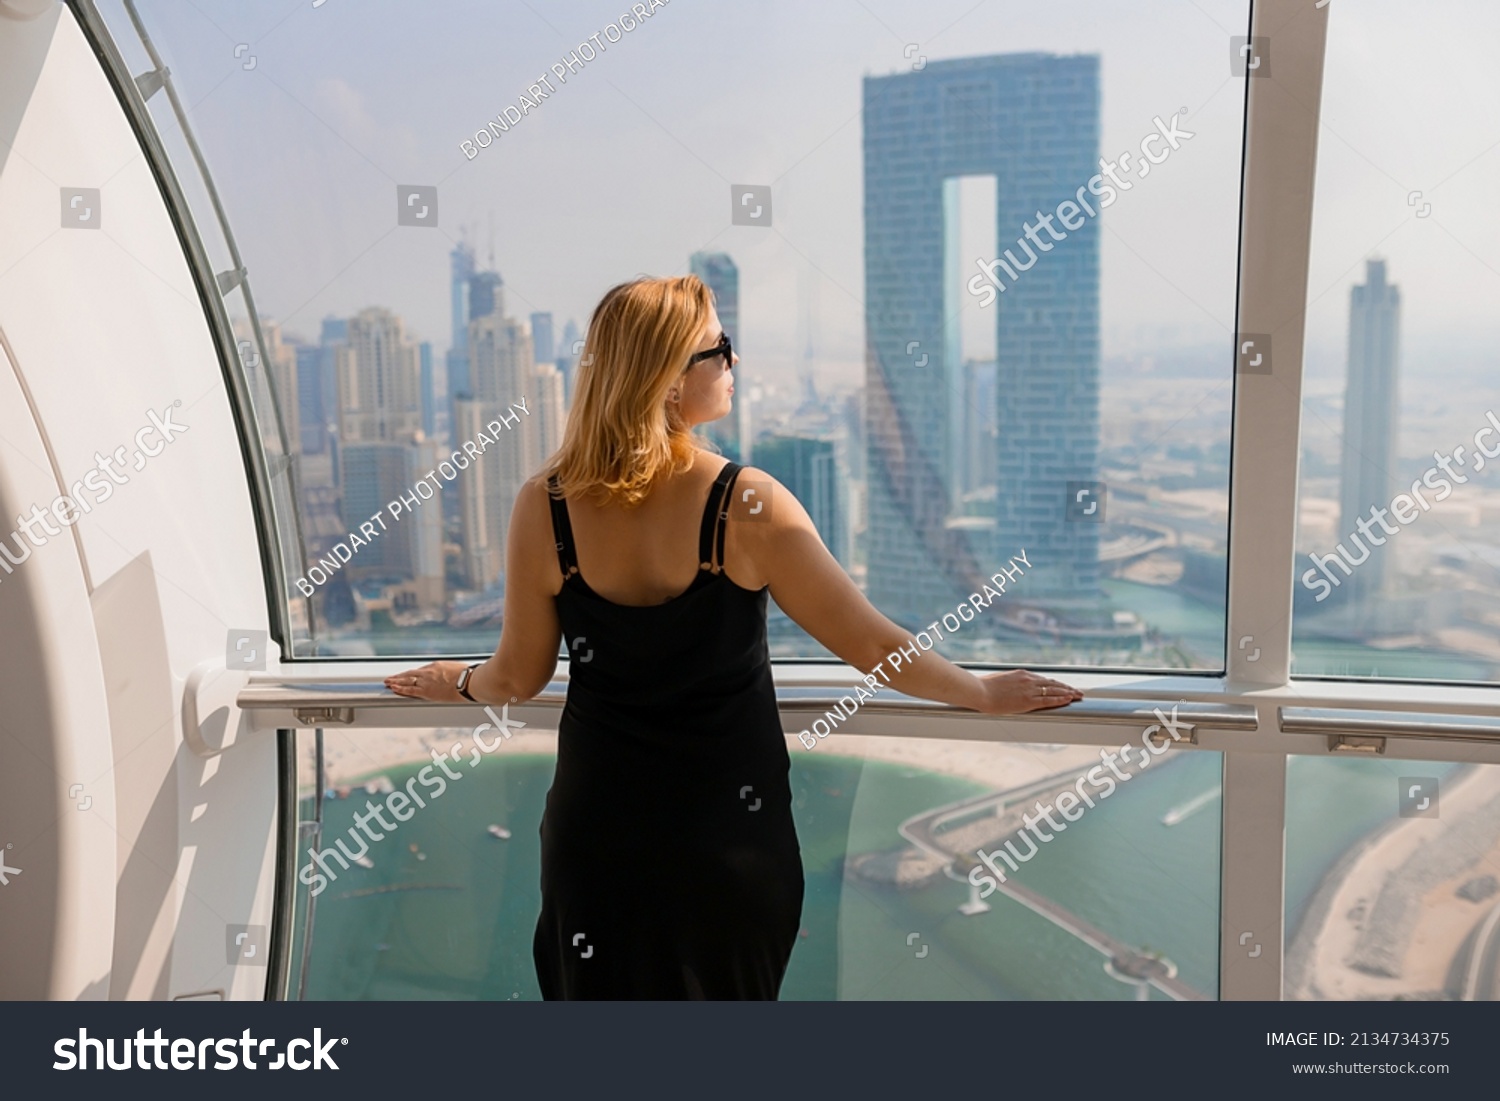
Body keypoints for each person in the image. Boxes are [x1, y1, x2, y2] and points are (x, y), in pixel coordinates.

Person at [384, 274, 1084, 999]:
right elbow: (874, 645)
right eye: (719, 347)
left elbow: (518, 676)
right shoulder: (748, 505)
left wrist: (456, 680)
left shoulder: (547, 505)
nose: (735, 361)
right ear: (665, 378)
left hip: (596, 841)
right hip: (728, 846)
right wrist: (980, 691)